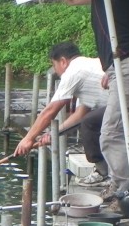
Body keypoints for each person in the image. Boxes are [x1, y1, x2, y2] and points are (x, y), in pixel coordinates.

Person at [22, 0, 129, 201]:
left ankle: (126, 192)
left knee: (111, 134)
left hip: (126, 65)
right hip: (119, 67)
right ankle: (124, 187)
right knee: (113, 132)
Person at [12, 41, 110, 185]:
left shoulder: (73, 71)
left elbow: (50, 110)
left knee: (89, 123)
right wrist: (54, 133)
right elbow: (80, 114)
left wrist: (28, 139)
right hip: (127, 104)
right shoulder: (88, 66)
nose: (55, 70)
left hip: (126, 107)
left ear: (63, 61)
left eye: (54, 65)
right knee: (88, 119)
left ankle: (103, 172)